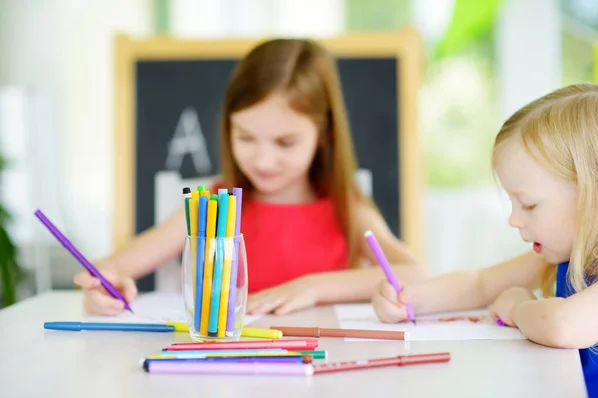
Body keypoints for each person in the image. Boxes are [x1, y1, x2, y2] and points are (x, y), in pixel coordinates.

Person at [75, 38, 430, 317]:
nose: (263, 160)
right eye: (245, 137)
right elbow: (110, 268)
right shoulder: (212, 207)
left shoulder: (346, 207)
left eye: (285, 142)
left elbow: (416, 275)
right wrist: (104, 287)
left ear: (324, 135)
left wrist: (312, 287)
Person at [372, 83, 598, 398]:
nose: (514, 219)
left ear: (592, 196)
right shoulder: (568, 256)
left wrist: (518, 307)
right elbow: (480, 283)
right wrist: (409, 299)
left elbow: (562, 326)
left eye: (529, 205)